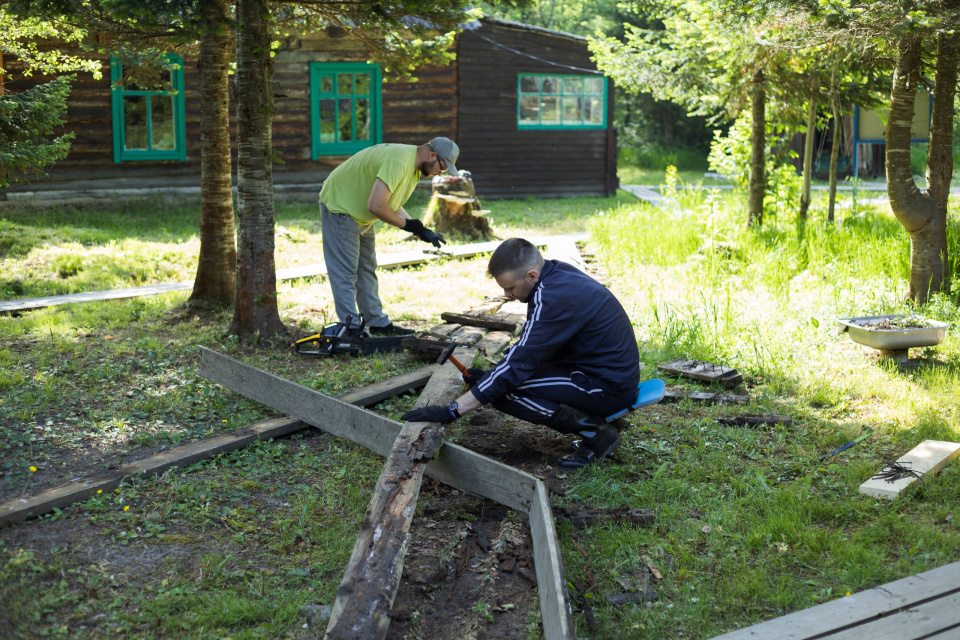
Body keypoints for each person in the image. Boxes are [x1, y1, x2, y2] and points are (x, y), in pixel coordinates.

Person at [402, 238, 641, 470]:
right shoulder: (555, 276)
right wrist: (490, 376)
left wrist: (452, 410)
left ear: (531, 276)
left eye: (510, 288)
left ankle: (598, 433)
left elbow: (521, 361)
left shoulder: (553, 297)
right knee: (499, 383)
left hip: (608, 388)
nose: (507, 295)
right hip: (595, 372)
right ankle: (597, 420)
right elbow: (530, 347)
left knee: (502, 392)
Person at [319, 138, 459, 336]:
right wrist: (409, 226)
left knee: (366, 269)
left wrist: (419, 229)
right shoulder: (399, 162)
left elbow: (389, 202)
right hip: (341, 206)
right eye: (442, 168)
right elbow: (376, 206)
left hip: (361, 212)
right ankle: (350, 329)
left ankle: (377, 323)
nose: (439, 173)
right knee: (346, 273)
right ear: (432, 155)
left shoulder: (412, 166)